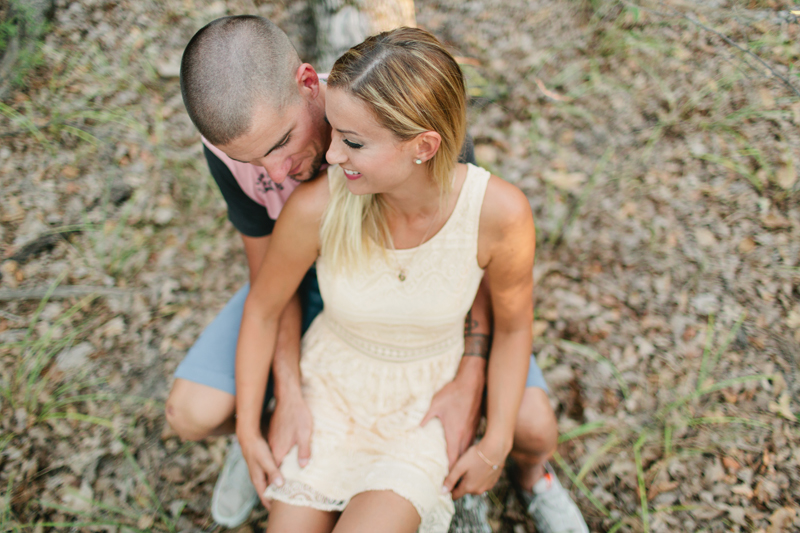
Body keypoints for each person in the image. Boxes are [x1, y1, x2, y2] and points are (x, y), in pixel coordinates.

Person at [171, 15, 588, 533]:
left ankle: (532, 476)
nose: (277, 175)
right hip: (329, 315)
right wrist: (273, 407)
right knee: (192, 410)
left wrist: (474, 382)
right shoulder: (297, 188)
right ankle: (265, 428)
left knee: (532, 425)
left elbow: (473, 260)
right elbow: (267, 294)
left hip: (435, 322)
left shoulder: (417, 129)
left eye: (281, 144)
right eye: (252, 161)